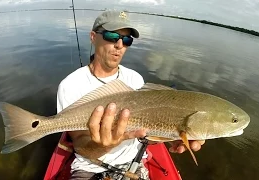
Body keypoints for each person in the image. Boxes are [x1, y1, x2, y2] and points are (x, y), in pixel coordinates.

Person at [56, 10, 205, 180]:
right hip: (90, 168)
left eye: (127, 40)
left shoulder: (135, 79)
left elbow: (144, 129)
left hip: (135, 164)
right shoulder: (71, 85)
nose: (119, 45)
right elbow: (80, 145)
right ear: (93, 37)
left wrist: (171, 135)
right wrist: (103, 146)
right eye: (112, 36)